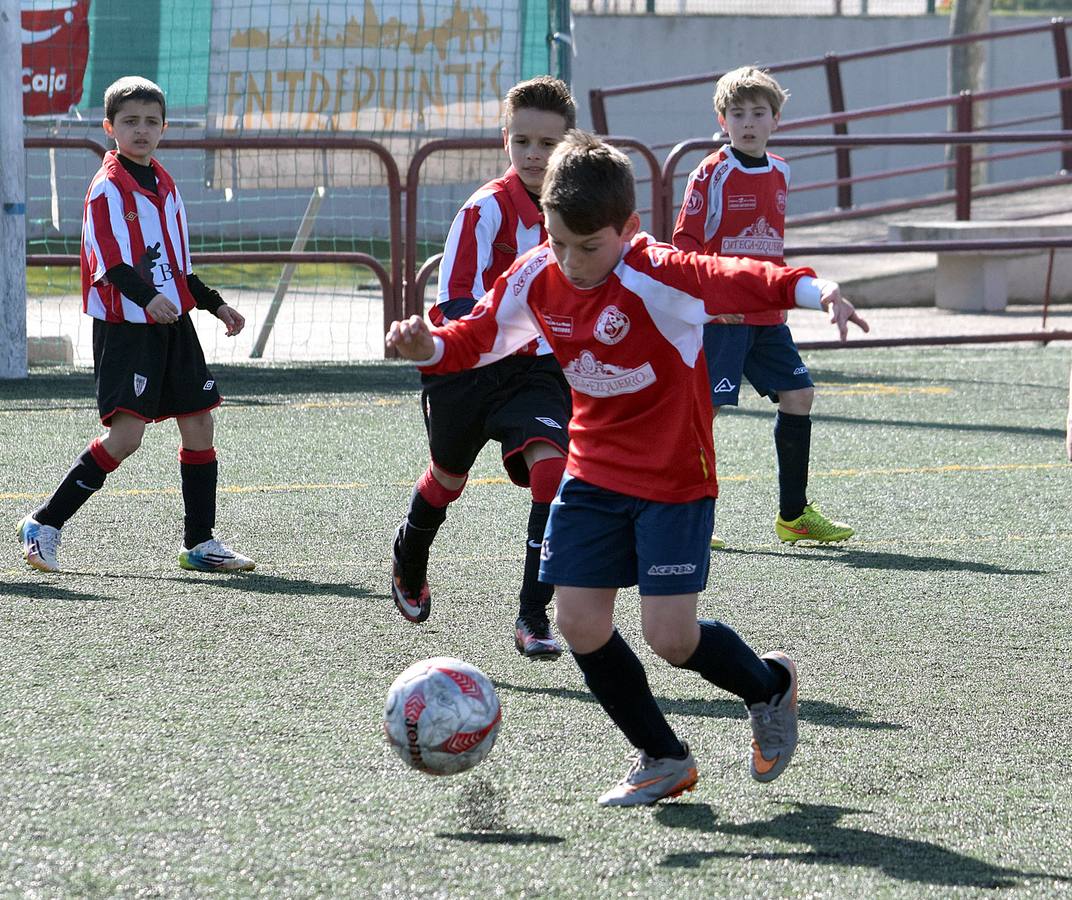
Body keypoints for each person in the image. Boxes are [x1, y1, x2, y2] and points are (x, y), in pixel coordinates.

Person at [387, 131, 869, 806]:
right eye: (557, 241)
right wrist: (429, 342)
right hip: (592, 472)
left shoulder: (659, 273)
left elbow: (742, 277)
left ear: (629, 229)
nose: (573, 261)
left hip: (675, 477)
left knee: (670, 638)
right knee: (582, 624)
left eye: (590, 246)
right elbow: (481, 334)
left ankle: (769, 686)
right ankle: (662, 756)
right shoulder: (536, 275)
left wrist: (818, 290)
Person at [16, 76, 254, 575]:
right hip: (128, 327)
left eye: (151, 121)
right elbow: (108, 262)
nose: (141, 130)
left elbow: (178, 265)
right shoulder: (106, 189)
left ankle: (200, 543)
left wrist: (215, 305)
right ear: (110, 128)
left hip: (172, 323)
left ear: (164, 127)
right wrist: (148, 299)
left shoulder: (164, 183)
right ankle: (43, 522)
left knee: (199, 422)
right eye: (130, 122)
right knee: (126, 438)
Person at [390, 76, 576, 660]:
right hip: (467, 369)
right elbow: (454, 307)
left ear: (568, 147)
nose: (535, 155)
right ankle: (409, 554)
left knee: (554, 474)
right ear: (505, 141)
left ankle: (532, 616)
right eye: (523, 141)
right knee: (447, 481)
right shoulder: (484, 211)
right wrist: (512, 331)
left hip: (536, 375)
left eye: (548, 144)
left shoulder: (579, 215)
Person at [673, 66, 867, 548]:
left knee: (799, 396)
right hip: (724, 317)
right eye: (737, 114)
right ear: (722, 120)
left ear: (776, 119)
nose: (748, 122)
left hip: (767, 316)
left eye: (758, 113)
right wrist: (709, 304)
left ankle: (794, 516)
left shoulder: (781, 170)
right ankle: (682, 511)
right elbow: (684, 245)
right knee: (706, 409)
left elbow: (769, 247)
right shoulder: (710, 172)